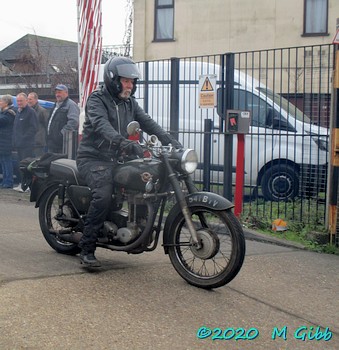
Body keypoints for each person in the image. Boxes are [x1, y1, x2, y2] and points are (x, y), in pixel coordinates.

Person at [76, 56, 181, 267]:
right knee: (103, 195)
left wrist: (169, 140)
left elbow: (147, 122)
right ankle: (87, 248)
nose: (130, 86)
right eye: (126, 81)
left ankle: (136, 228)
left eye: (132, 82)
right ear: (113, 79)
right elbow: (101, 126)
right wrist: (125, 143)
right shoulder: (97, 100)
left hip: (118, 157)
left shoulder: (130, 103)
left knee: (145, 181)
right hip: (93, 158)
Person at [12, 92, 38, 191]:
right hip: (18, 144)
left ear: (26, 101)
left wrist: (23, 138)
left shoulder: (30, 112)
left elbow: (33, 128)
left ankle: (28, 185)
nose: (19, 103)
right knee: (21, 165)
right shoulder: (18, 112)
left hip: (27, 145)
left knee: (27, 166)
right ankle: (22, 183)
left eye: (21, 101)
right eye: (18, 101)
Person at [47, 84, 79, 153]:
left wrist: (61, 135)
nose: (57, 94)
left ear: (66, 93)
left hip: (63, 145)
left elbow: (73, 122)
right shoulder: (55, 105)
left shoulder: (71, 105)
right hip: (52, 144)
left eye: (59, 92)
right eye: (56, 92)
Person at [0, 95, 16, 189]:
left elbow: (3, 121)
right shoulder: (4, 112)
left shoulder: (10, 113)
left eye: (1, 101)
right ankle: (5, 180)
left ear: (6, 103)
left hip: (6, 140)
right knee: (3, 161)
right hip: (2, 140)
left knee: (7, 161)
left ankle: (8, 181)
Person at [27, 92, 49, 157]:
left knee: (38, 162)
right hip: (29, 142)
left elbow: (47, 125)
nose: (28, 101)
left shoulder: (42, 111)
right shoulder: (27, 111)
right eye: (28, 99)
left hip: (38, 143)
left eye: (30, 99)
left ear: (36, 100)